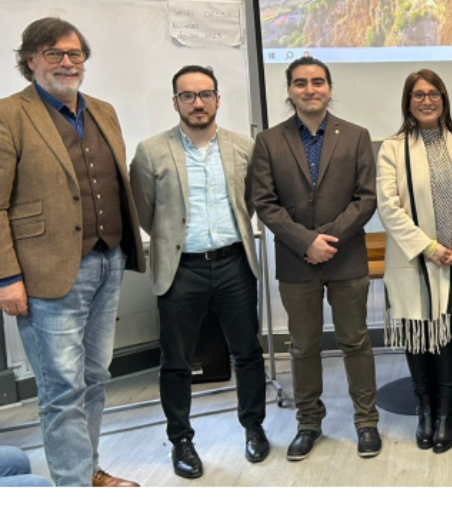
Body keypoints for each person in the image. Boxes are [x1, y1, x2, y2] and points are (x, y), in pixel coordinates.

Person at [0, 18, 146, 488]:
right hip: (46, 272)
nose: (67, 62)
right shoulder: (9, 115)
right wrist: (6, 277)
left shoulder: (102, 109)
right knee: (62, 389)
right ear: (31, 61)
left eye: (74, 53)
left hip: (107, 262)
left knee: (95, 378)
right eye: (53, 53)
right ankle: (73, 483)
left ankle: (88, 471)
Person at [130, 65, 268, 479]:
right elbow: (144, 210)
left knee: (247, 352)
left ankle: (254, 427)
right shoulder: (151, 150)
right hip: (181, 269)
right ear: (176, 102)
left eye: (205, 94)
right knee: (176, 361)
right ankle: (181, 440)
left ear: (218, 99)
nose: (197, 102)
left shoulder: (244, 146)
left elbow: (252, 202)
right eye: (187, 96)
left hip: (233, 264)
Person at [253, 57, 381, 462]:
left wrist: (328, 239)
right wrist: (306, 242)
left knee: (355, 341)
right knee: (304, 346)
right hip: (296, 261)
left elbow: (366, 198)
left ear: (329, 87)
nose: (310, 89)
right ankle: (308, 423)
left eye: (318, 82)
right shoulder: (269, 141)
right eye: (301, 83)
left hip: (346, 258)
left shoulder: (357, 136)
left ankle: (366, 422)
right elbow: (264, 203)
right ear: (289, 90)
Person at [376, 69, 452, 454]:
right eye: (418, 94)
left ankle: (447, 412)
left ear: (444, 98)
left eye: (433, 94)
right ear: (408, 101)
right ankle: (425, 408)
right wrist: (427, 247)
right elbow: (388, 207)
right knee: (418, 334)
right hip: (414, 257)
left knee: (447, 334)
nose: (426, 100)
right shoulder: (392, 147)